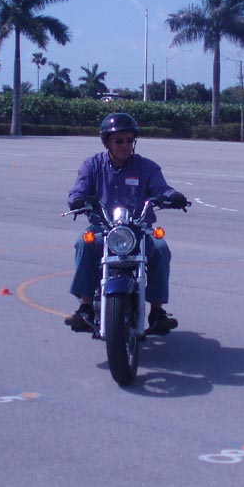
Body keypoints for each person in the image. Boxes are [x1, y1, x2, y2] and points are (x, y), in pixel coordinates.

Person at [64, 112, 188, 335]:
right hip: (103, 228)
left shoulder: (147, 168)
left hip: (139, 229)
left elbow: (162, 189)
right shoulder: (92, 165)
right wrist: (78, 200)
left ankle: (157, 312)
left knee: (161, 248)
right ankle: (85, 307)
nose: (124, 145)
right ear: (107, 142)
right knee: (84, 243)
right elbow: (78, 190)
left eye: (129, 140)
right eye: (119, 140)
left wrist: (173, 196)